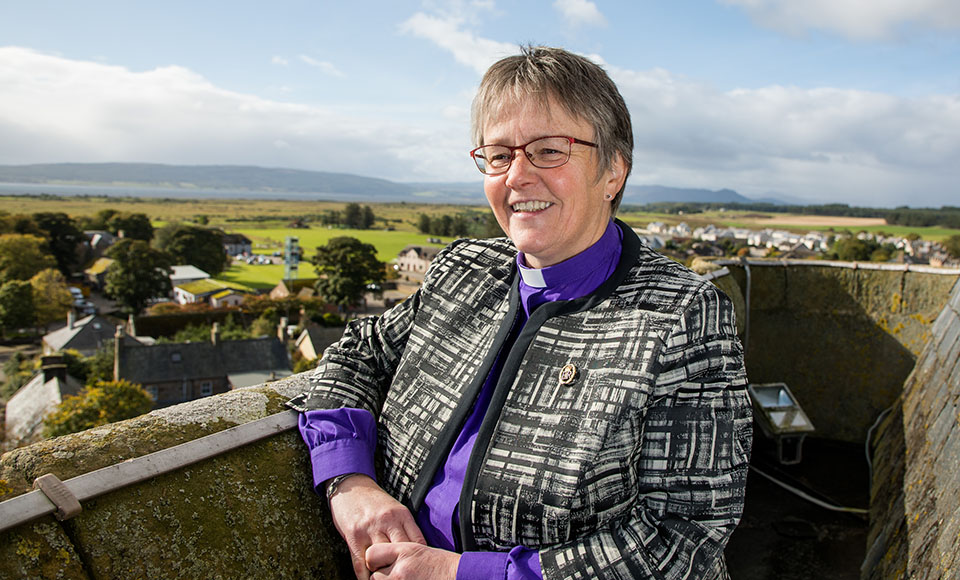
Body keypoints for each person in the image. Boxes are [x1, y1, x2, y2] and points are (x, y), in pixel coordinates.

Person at [288, 45, 751, 580]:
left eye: (549, 151)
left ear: (613, 171)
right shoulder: (463, 271)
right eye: (499, 155)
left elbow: (681, 541)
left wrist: (461, 574)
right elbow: (357, 353)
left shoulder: (680, 316)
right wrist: (349, 483)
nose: (517, 176)